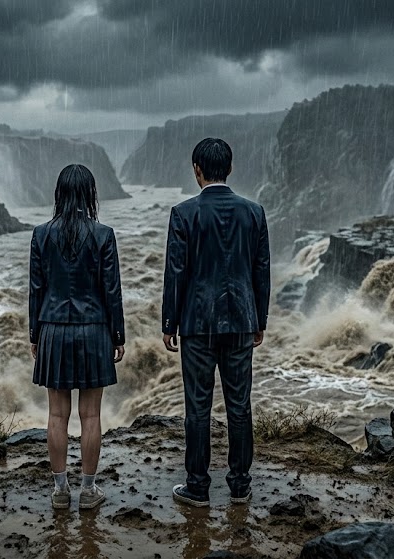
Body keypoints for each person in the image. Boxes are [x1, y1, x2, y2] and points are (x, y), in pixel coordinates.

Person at [161, 138, 271, 507]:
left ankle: (198, 487)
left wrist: (169, 322)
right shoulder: (253, 212)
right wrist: (260, 319)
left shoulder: (183, 213)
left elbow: (175, 273)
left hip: (196, 323)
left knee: (198, 406)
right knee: (239, 405)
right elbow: (261, 271)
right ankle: (240, 485)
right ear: (230, 167)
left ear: (197, 170)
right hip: (241, 319)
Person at [29, 164, 126, 511]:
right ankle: (88, 490)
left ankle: (59, 491)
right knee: (91, 416)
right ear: (90, 194)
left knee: (56, 415)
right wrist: (117, 335)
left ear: (59, 194)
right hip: (93, 329)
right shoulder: (103, 235)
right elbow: (111, 291)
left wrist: (34, 335)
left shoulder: (41, 234)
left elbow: (36, 290)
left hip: (53, 328)